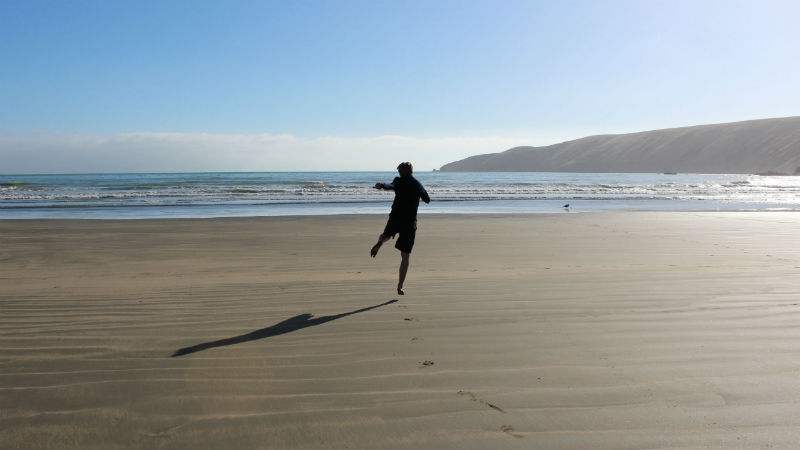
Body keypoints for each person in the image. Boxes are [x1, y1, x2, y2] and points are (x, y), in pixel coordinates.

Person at [370, 162, 430, 295]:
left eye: (399, 171)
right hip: (409, 222)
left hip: (396, 218)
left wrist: (381, 185)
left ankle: (380, 242)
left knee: (385, 235)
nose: (398, 174)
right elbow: (427, 199)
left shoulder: (398, 181)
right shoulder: (417, 184)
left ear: (402, 172)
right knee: (405, 256)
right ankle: (400, 286)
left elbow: (391, 186)